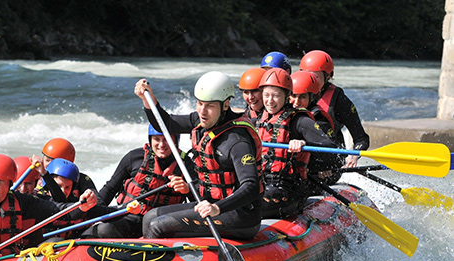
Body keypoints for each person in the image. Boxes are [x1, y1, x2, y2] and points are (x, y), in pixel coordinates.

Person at [134, 71, 264, 240]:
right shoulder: (202, 121)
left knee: (158, 225)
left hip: (241, 215)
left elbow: (251, 187)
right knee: (150, 217)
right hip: (208, 205)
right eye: (199, 104)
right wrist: (147, 99)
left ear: (225, 105)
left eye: (209, 106)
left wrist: (217, 208)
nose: (203, 111)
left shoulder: (237, 140)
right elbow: (166, 123)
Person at [82, 125, 193, 238]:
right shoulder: (134, 158)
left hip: (162, 223)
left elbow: (199, 201)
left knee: (153, 221)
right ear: (150, 140)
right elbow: (109, 190)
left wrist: (187, 189)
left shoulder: (186, 165)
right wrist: (97, 211)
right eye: (157, 139)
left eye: (166, 139)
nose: (161, 144)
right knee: (103, 229)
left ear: (175, 140)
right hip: (130, 218)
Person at [255, 68, 337, 218]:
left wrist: (304, 145)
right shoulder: (260, 119)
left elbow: (331, 152)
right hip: (262, 183)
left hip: (289, 190)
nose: (269, 101)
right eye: (266, 95)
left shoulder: (300, 121)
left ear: (286, 96)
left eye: (276, 96)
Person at [299, 50, 370, 167]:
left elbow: (361, 138)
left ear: (328, 76)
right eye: (307, 75)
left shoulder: (339, 100)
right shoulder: (293, 94)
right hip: (302, 157)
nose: (310, 81)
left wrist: (353, 156)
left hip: (330, 162)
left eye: (315, 77)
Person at [289, 71, 343, 184]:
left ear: (312, 97)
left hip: (318, 172)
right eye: (293, 96)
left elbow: (334, 155)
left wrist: (325, 165)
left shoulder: (320, 120)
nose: (296, 102)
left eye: (302, 97)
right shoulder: (282, 114)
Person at [32, 137, 98, 202]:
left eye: (54, 162)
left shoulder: (82, 180)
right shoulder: (35, 177)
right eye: (47, 160)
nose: (49, 165)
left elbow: (99, 203)